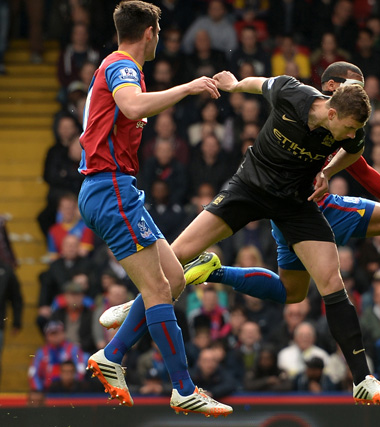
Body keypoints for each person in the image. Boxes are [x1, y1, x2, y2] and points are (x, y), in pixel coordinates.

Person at [101, 62, 380, 404]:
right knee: (172, 257)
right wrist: (231, 83)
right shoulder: (293, 94)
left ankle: (362, 380)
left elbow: (356, 157)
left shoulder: (352, 128)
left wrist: (326, 171)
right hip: (248, 189)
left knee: (316, 286)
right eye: (349, 124)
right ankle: (134, 316)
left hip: (296, 205)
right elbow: (259, 83)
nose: (353, 135)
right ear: (332, 102)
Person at [76, 1, 231, 417]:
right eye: (158, 31)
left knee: (175, 279)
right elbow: (132, 107)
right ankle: (183, 387)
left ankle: (112, 354)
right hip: (109, 187)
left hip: (112, 187)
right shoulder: (123, 67)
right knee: (160, 289)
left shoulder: (120, 67)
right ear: (150, 32)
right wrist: (188, 87)